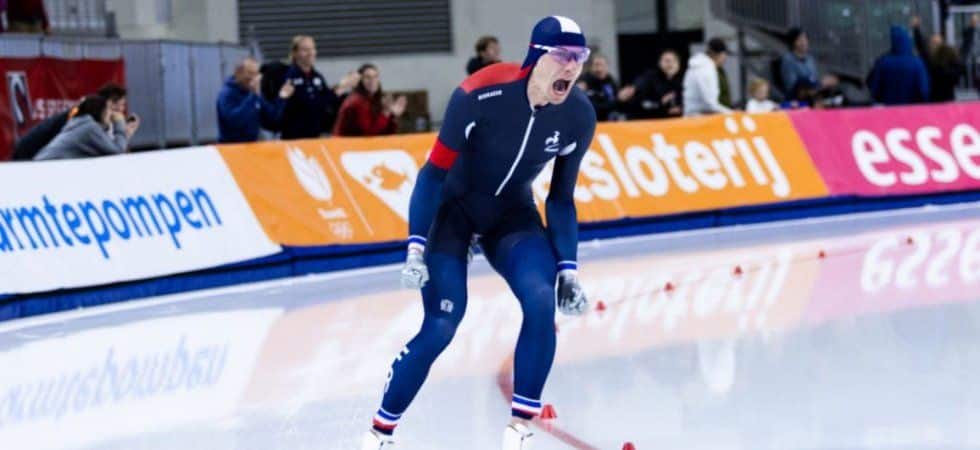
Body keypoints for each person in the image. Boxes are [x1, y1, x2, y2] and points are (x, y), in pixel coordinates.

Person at [360, 15, 596, 450]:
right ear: (537, 57)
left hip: (512, 216)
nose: (573, 66)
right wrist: (415, 247)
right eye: (563, 56)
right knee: (443, 323)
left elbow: (561, 199)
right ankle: (380, 432)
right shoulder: (480, 93)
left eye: (579, 57)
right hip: (455, 212)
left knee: (541, 300)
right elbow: (433, 174)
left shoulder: (579, 115)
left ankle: (519, 428)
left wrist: (569, 269)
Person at [12, 83, 131, 161]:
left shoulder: (81, 119)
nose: (120, 111)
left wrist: (124, 134)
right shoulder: (88, 126)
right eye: (120, 105)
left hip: (39, 159)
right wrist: (120, 126)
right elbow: (116, 152)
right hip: (32, 156)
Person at [279, 35, 359, 139]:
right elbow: (309, 104)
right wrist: (340, 87)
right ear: (295, 53)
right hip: (294, 138)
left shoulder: (317, 77)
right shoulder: (288, 76)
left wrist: (343, 87)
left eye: (312, 49)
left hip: (314, 136)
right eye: (305, 50)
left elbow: (327, 102)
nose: (310, 53)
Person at [216, 57, 294, 143]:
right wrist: (253, 96)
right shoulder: (227, 93)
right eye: (250, 73)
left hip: (251, 145)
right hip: (230, 147)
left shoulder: (254, 93)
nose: (254, 78)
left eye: (256, 74)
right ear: (238, 73)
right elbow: (234, 122)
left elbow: (272, 119)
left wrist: (282, 98)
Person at [34, 95, 135, 160]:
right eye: (109, 109)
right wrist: (119, 123)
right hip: (48, 167)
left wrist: (125, 134)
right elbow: (117, 152)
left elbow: (109, 147)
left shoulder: (82, 124)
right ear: (101, 111)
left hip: (44, 165)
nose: (111, 114)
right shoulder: (89, 128)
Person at [332, 63, 407, 136]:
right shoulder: (356, 101)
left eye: (375, 77)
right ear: (360, 81)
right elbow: (369, 134)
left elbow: (385, 133)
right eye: (368, 77)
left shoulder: (375, 99)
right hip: (344, 143)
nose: (372, 80)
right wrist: (386, 113)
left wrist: (393, 116)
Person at [866, 25, 930, 105]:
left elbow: (874, 88)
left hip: (889, 108)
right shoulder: (917, 63)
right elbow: (924, 91)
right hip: (911, 108)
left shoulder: (883, 62)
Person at [911, 16, 963, 102]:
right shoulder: (931, 60)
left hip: (941, 101)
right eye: (933, 43)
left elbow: (921, 46)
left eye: (937, 43)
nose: (935, 46)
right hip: (940, 101)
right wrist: (916, 29)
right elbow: (921, 46)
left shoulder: (941, 63)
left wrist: (916, 29)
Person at [621, 49, 684, 119]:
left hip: (680, 120)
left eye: (674, 61)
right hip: (654, 120)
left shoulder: (685, 79)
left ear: (679, 64)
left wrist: (681, 108)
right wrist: (660, 103)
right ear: (659, 63)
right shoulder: (650, 77)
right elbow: (641, 99)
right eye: (666, 61)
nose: (670, 64)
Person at [683, 38, 732, 116]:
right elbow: (710, 104)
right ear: (716, 54)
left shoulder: (698, 67)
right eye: (724, 54)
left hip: (693, 116)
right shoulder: (706, 70)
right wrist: (731, 113)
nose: (725, 58)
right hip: (700, 118)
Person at [577, 53, 619, 121]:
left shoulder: (611, 82)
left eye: (602, 65)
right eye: (596, 65)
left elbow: (616, 103)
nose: (599, 69)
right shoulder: (584, 81)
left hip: (608, 121)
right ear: (591, 67)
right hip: (589, 120)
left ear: (607, 67)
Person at [780, 28, 818, 102]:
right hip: (797, 99)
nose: (804, 43)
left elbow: (814, 78)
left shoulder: (810, 59)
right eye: (800, 40)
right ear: (793, 42)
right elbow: (791, 85)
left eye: (805, 39)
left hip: (813, 95)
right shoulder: (788, 60)